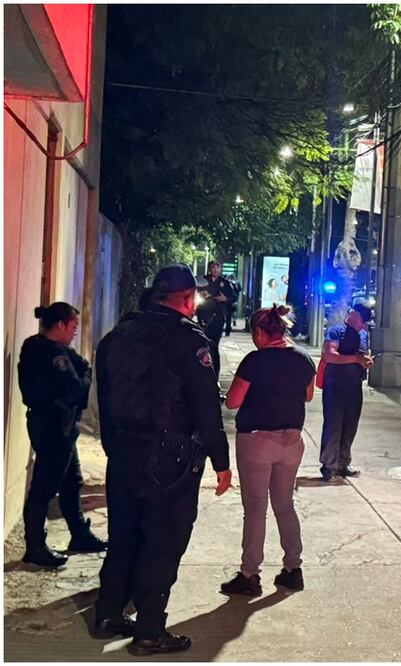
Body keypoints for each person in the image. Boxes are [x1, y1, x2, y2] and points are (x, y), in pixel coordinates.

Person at [93, 265, 232, 656]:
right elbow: (206, 407)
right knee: (163, 543)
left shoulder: (118, 335)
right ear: (187, 299)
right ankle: (149, 632)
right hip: (170, 459)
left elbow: (104, 397)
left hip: (124, 452)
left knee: (123, 538)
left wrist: (114, 447)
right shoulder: (188, 340)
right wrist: (221, 461)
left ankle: (108, 615)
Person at [220, 305, 315, 596]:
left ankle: (249, 574)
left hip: (257, 441)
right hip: (292, 440)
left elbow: (233, 402)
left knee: (255, 509)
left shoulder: (255, 361)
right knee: (285, 505)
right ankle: (293, 570)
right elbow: (308, 396)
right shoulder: (303, 359)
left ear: (261, 332)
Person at [17, 302, 106, 568]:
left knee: (71, 481)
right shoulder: (56, 356)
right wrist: (87, 373)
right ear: (60, 325)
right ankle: (35, 546)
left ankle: (79, 533)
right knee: (45, 486)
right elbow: (78, 389)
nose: (75, 331)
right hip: (55, 427)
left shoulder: (34, 346)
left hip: (56, 425)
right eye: (73, 326)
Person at [320, 303, 375, 481]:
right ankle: (328, 465)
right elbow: (330, 355)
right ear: (353, 314)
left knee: (350, 426)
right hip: (335, 386)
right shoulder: (336, 331)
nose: (363, 325)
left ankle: (342, 464)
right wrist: (356, 359)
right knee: (333, 425)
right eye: (362, 321)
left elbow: (363, 356)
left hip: (354, 386)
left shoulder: (363, 334)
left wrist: (366, 362)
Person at [196, 261, 232, 377]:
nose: (215, 270)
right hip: (204, 316)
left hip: (218, 317)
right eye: (213, 267)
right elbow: (194, 293)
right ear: (209, 269)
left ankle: (214, 372)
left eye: (217, 267)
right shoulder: (203, 281)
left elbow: (233, 297)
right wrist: (201, 294)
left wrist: (225, 299)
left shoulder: (225, 283)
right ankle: (202, 370)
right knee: (203, 344)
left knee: (214, 344)